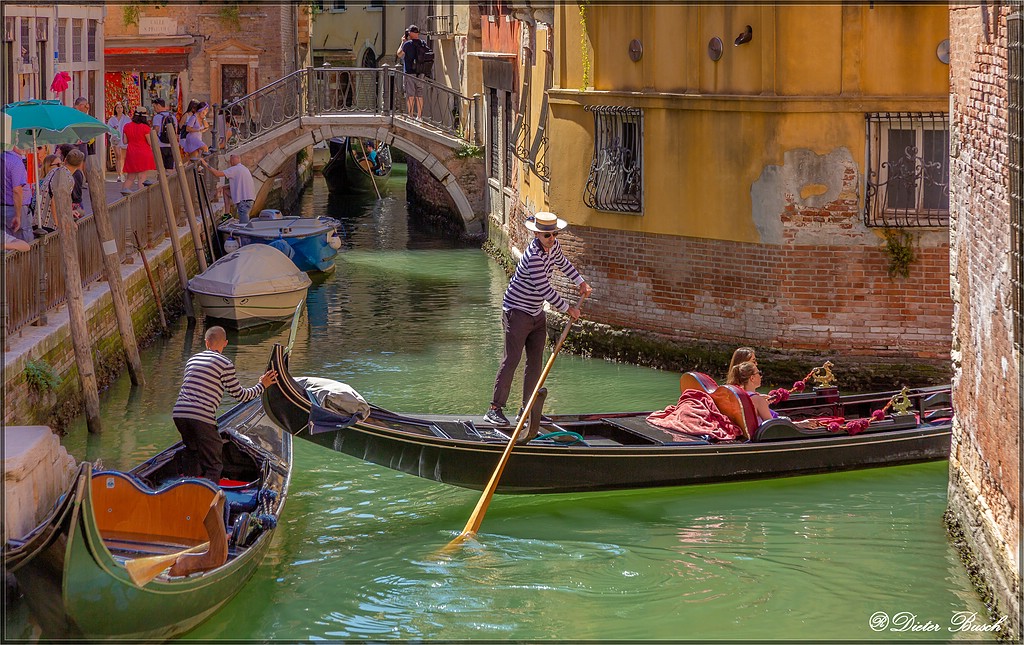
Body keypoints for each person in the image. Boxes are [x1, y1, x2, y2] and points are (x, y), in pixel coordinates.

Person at [485, 211, 592, 425]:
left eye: (554, 235)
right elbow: (544, 288)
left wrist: (580, 282)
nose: (552, 239)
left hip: (535, 313)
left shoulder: (554, 248)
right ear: (537, 236)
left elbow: (563, 264)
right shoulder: (533, 256)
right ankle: (494, 410)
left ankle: (528, 409)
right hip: (516, 311)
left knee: (535, 362)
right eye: (547, 236)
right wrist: (568, 309)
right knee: (512, 360)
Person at [172, 326, 278, 481]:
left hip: (179, 414)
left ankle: (187, 491)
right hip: (201, 417)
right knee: (214, 465)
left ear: (206, 342)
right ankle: (208, 501)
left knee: (192, 453)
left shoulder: (192, 360)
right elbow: (241, 395)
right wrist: (262, 385)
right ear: (225, 343)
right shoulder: (224, 363)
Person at [200, 155, 256, 223]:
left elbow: (217, 174)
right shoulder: (244, 169)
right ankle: (227, 214)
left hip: (243, 202)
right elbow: (237, 184)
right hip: (249, 200)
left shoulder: (234, 169)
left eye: (230, 161)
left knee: (244, 225)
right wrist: (222, 187)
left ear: (231, 161)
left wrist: (205, 164)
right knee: (226, 191)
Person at [121, 106, 156, 194]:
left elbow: (125, 141)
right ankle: (142, 197)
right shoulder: (145, 128)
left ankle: (124, 195)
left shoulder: (127, 126)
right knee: (142, 177)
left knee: (130, 177)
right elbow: (150, 142)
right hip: (144, 152)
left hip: (131, 153)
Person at [3, 145, 32, 242]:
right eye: (19, 143)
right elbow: (17, 190)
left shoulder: (4, 158)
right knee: (22, 243)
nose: (24, 146)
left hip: (5, 208)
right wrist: (18, 215)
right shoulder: (15, 161)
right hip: (15, 208)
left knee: (8, 242)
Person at [397, 25, 425, 119]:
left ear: (411, 33)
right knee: (419, 94)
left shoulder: (407, 44)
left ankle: (411, 115)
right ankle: (419, 117)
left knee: (410, 95)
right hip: (420, 72)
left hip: (409, 73)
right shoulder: (423, 43)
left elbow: (399, 54)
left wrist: (402, 42)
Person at [151, 98, 178, 171]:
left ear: (158, 106)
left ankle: (162, 181)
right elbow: (175, 131)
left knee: (161, 168)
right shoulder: (173, 117)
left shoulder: (157, 117)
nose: (154, 109)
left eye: (154, 107)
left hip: (161, 145)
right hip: (171, 145)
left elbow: (155, 130)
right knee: (170, 168)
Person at [106, 102, 131, 182]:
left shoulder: (127, 119)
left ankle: (123, 172)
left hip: (124, 140)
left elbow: (130, 129)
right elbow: (108, 129)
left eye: (121, 107)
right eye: (118, 108)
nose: (119, 109)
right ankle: (119, 174)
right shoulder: (112, 119)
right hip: (115, 139)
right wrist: (113, 130)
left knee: (123, 157)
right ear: (115, 109)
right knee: (118, 156)